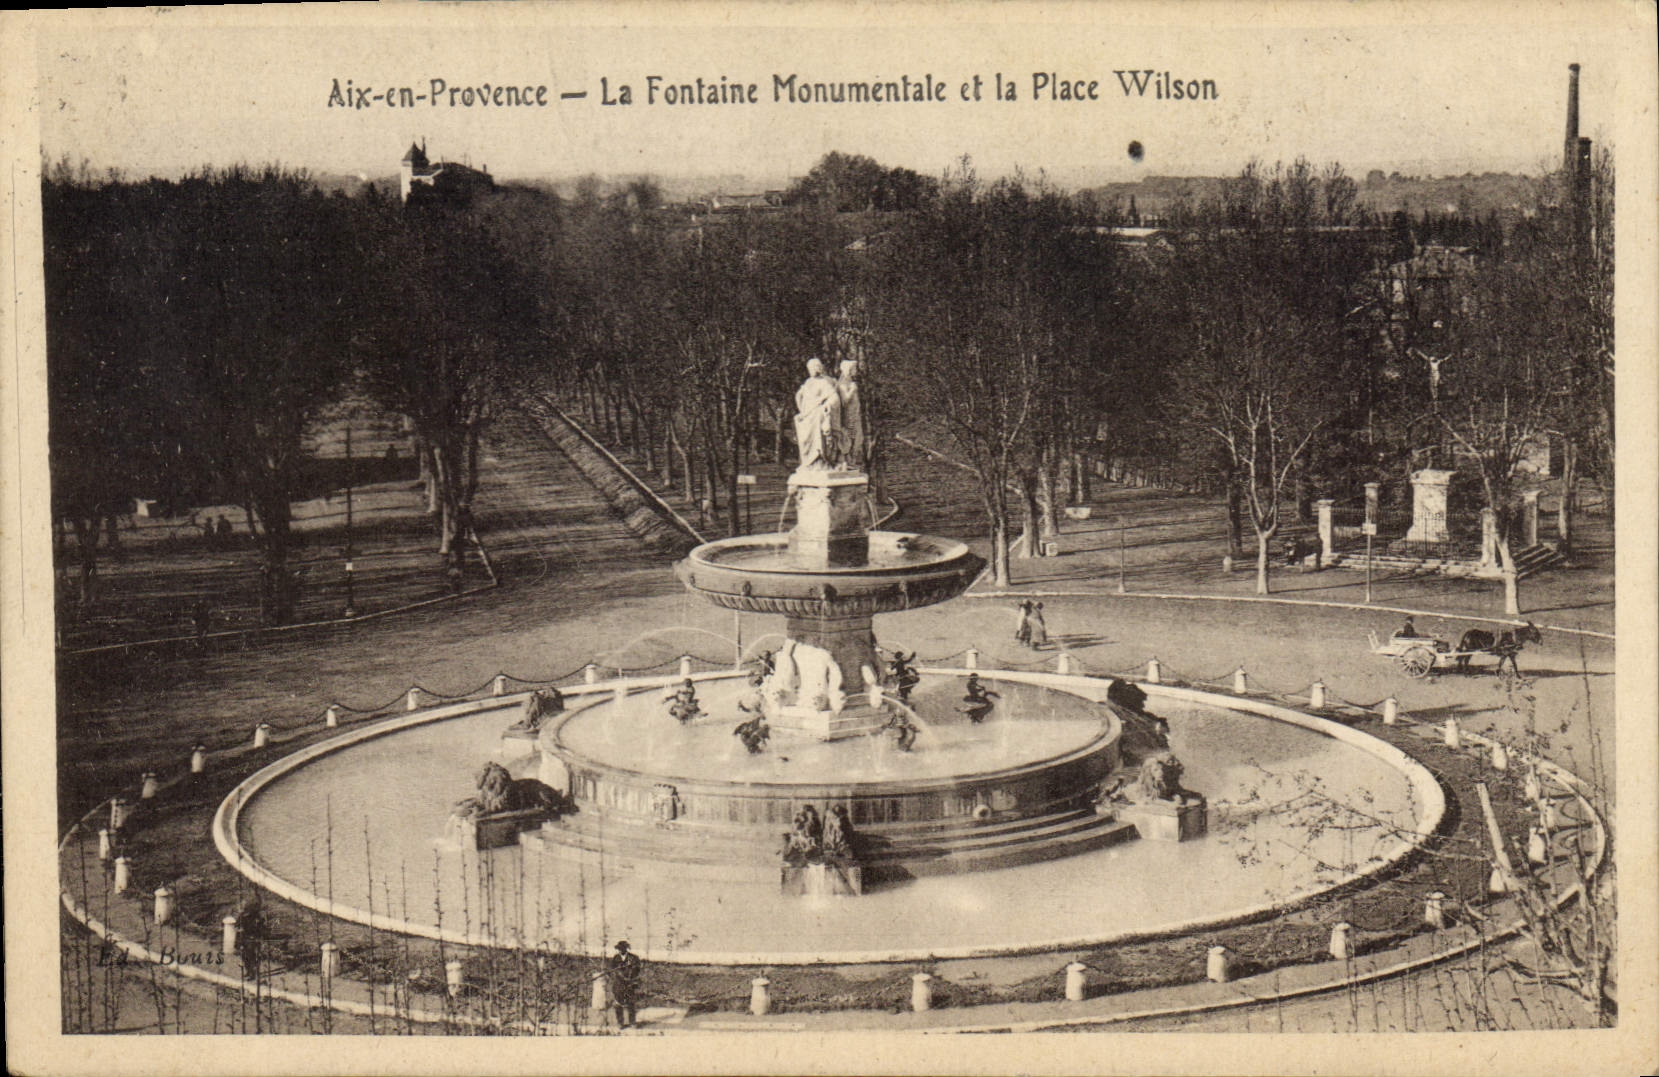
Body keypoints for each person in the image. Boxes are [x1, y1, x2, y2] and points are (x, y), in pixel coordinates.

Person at [793, 358, 844, 471]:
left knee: (818, 418)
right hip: (808, 414)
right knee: (798, 420)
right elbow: (799, 395)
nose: (811, 370)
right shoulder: (808, 382)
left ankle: (819, 460)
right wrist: (801, 410)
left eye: (813, 367)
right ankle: (807, 461)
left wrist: (826, 406)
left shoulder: (824, 382)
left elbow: (834, 398)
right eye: (809, 368)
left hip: (817, 414)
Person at [607, 940, 642, 1029]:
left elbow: (637, 969)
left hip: (629, 984)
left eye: (622, 948)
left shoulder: (633, 958)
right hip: (619, 984)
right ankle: (620, 1023)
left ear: (626, 949)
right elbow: (612, 970)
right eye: (619, 949)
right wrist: (619, 975)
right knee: (618, 1004)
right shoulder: (615, 958)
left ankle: (632, 1022)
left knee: (630, 1003)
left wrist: (631, 976)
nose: (620, 950)